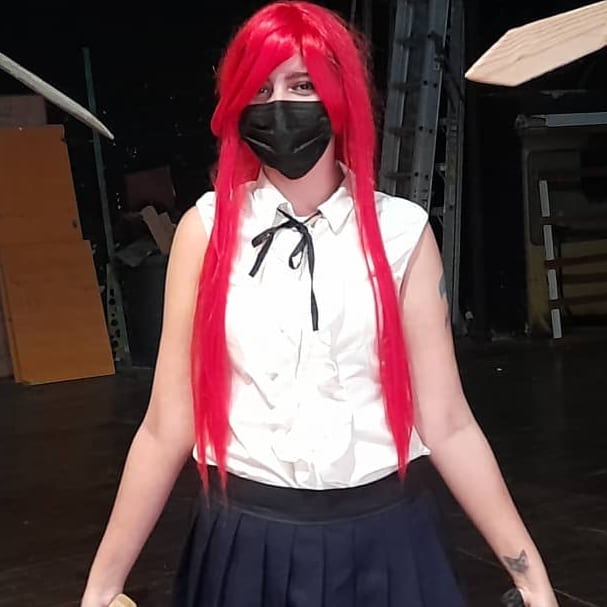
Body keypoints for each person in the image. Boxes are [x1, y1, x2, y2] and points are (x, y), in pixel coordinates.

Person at [81, 2, 559, 606]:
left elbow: (448, 421)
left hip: (387, 539)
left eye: (302, 84)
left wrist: (530, 576)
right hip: (245, 543)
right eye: (261, 88)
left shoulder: (402, 233)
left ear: (339, 95)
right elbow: (165, 425)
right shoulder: (207, 230)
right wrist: (102, 586)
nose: (280, 104)